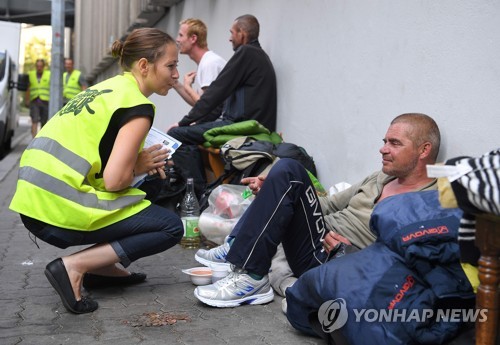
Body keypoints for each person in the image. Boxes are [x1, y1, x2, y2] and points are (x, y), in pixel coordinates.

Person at [9, 28, 183, 314]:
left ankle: (103, 269)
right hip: (55, 209)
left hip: (35, 200)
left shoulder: (107, 87)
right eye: (171, 65)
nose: (176, 74)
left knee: (149, 186)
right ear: (144, 66)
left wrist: (138, 166)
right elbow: (115, 182)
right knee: (170, 226)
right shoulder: (138, 106)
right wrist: (138, 165)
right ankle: (74, 267)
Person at [193, 113, 441, 307]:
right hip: (315, 238)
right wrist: (278, 195)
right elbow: (329, 204)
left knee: (290, 169)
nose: (383, 149)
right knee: (283, 174)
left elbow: (405, 258)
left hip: (339, 259)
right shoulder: (381, 177)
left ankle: (251, 275)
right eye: (385, 141)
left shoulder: (430, 200)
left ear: (424, 150)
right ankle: (237, 249)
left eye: (394, 143)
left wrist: (350, 250)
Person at [167, 14, 278, 196]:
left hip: (239, 127)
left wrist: (184, 123)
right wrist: (193, 123)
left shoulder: (246, 53)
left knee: (175, 135)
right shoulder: (257, 56)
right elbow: (218, 101)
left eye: (232, 33)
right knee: (185, 135)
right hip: (245, 124)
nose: (229, 38)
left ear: (242, 34)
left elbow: (215, 93)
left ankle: (199, 194)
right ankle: (201, 190)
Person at [173, 18, 226, 107]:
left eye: (181, 35)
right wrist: (175, 83)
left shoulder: (209, 63)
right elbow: (198, 104)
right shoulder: (206, 62)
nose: (177, 39)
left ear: (193, 38)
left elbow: (207, 107)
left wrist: (188, 88)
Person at [25, 58, 51, 137]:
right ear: (36, 66)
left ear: (43, 67)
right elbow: (28, 88)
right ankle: (33, 141)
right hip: (34, 101)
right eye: (37, 66)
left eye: (41, 66)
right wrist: (27, 100)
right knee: (34, 120)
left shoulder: (49, 74)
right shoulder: (31, 74)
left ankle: (41, 140)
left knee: (44, 122)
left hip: (45, 101)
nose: (39, 68)